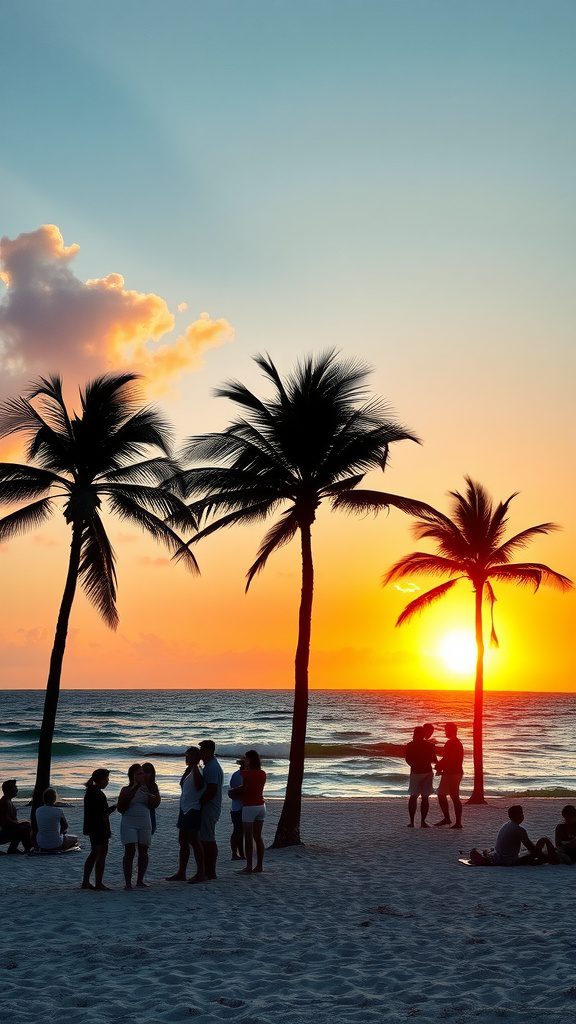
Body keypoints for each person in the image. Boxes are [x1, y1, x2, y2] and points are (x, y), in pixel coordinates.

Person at [166, 746, 206, 883]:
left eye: (189, 755)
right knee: (183, 841)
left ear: (195, 757)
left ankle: (201, 873)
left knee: (194, 841)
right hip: (184, 808)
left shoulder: (197, 769)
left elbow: (199, 785)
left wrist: (194, 765)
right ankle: (181, 872)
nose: (186, 757)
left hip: (193, 809)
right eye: (186, 755)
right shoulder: (189, 769)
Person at [117, 763, 159, 890]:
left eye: (143, 773)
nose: (142, 775)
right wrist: (135, 788)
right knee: (129, 851)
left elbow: (155, 804)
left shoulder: (150, 787)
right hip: (129, 821)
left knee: (143, 850)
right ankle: (128, 882)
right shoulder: (125, 789)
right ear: (132, 776)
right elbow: (121, 808)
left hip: (145, 820)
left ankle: (140, 880)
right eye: (139, 773)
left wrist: (148, 792)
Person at [470, 805, 557, 866]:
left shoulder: (506, 825)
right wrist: (543, 855)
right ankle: (552, 859)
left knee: (536, 848)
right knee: (544, 840)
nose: (523, 816)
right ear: (518, 816)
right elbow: (531, 849)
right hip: (509, 861)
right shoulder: (519, 830)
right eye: (521, 814)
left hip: (499, 857)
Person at [231, 749, 266, 875]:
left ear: (249, 760)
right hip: (261, 806)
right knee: (258, 837)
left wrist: (234, 791)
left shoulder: (245, 774)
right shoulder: (262, 773)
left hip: (249, 807)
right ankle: (260, 865)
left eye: (246, 758)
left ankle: (249, 866)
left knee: (248, 837)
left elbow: (245, 788)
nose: (244, 760)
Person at [82, 768, 116, 890]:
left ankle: (86, 881)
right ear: (101, 780)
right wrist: (115, 807)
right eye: (107, 779)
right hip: (99, 827)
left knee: (94, 853)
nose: (108, 781)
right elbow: (104, 814)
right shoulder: (98, 794)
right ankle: (98, 883)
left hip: (92, 827)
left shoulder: (90, 791)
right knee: (101, 854)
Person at [198, 739, 224, 881]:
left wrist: (200, 803)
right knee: (206, 837)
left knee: (208, 838)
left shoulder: (212, 767)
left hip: (210, 807)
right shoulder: (210, 765)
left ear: (208, 751)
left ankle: (211, 871)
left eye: (202, 749)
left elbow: (212, 789)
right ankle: (209, 871)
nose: (200, 752)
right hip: (210, 806)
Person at [405, 726, 438, 828]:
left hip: (415, 772)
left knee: (413, 796)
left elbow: (407, 760)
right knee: (425, 797)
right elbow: (434, 760)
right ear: (423, 734)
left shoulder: (410, 745)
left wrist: (414, 765)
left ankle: (412, 822)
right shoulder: (430, 745)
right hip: (427, 772)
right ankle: (423, 822)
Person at [434, 722, 464, 829]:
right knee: (444, 794)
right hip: (453, 772)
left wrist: (439, 766)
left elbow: (448, 759)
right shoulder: (457, 743)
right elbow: (450, 759)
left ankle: (456, 821)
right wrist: (441, 766)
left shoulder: (451, 743)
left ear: (451, 731)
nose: (445, 732)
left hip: (452, 773)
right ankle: (449, 819)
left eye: (446, 730)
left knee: (453, 796)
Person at [0, 779, 33, 853]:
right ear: (9, 789)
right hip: (3, 833)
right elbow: (4, 821)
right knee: (25, 827)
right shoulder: (4, 802)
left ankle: (14, 848)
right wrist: (17, 824)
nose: (17, 789)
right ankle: (27, 849)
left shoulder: (7, 800)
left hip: (6, 830)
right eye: (15, 787)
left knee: (26, 824)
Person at [228, 757, 246, 861]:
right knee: (239, 831)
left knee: (237, 830)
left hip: (235, 807)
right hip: (241, 807)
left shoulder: (235, 774)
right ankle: (237, 854)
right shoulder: (244, 775)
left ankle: (237, 853)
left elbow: (232, 789)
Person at [142, 762, 160, 836]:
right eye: (144, 772)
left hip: (150, 812)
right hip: (138, 813)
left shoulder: (153, 786)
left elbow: (155, 803)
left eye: (148, 773)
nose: (145, 775)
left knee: (149, 833)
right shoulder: (136, 784)